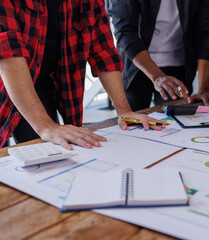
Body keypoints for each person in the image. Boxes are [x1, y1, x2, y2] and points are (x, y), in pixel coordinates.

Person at [0, 0, 164, 149]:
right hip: (6, 76)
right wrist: (45, 126)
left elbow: (103, 50)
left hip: (39, 83)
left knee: (50, 152)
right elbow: (8, 50)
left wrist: (124, 111)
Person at [106, 0, 209, 111]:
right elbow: (125, 32)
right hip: (135, 64)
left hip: (178, 67)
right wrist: (157, 77)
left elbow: (207, 32)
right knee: (132, 122)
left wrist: (204, 89)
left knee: (176, 122)